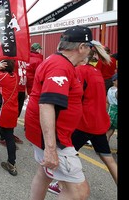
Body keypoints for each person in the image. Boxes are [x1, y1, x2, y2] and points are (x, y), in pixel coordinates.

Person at [24, 25, 94, 200]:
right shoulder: (60, 67)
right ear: (81, 47)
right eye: (90, 47)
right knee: (79, 192)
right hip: (55, 137)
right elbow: (47, 104)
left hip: (48, 132)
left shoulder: (59, 62)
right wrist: (51, 148)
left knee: (44, 173)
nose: (90, 51)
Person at [48, 45, 117, 195]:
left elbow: (74, 96)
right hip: (99, 122)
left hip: (84, 123)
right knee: (108, 158)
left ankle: (58, 184)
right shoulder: (97, 72)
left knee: (62, 152)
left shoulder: (80, 71)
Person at [0, 59, 27, 147]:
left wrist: (25, 89)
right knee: (8, 114)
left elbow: (24, 74)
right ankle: (3, 137)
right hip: (13, 89)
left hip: (21, 89)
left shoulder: (24, 58)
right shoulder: (12, 55)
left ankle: (10, 134)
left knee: (16, 114)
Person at [106, 73, 118, 144]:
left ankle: (105, 145)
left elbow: (107, 101)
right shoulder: (116, 91)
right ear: (114, 81)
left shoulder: (110, 89)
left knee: (109, 130)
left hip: (111, 112)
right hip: (116, 111)